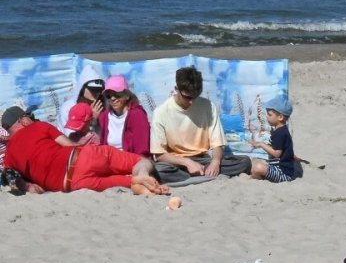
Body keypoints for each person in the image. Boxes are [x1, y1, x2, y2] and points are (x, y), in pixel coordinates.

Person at [2, 106, 167, 195]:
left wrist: (29, 186)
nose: (32, 119)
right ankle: (143, 175)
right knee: (141, 161)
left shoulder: (9, 156)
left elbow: (21, 183)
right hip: (81, 158)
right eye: (29, 116)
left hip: (71, 184)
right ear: (22, 120)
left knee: (125, 182)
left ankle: (139, 185)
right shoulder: (39, 126)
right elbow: (69, 145)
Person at [151, 67, 253, 184]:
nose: (191, 102)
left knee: (244, 162)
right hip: (176, 162)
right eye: (187, 97)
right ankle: (201, 176)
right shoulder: (161, 112)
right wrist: (187, 162)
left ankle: (197, 176)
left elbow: (217, 143)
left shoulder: (208, 106)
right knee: (158, 171)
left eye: (195, 97)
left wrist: (215, 162)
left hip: (203, 159)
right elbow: (159, 154)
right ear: (176, 89)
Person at [248, 93, 302, 182]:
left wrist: (261, 144)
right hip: (276, 169)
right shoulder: (280, 130)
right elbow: (287, 151)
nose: (267, 117)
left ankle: (258, 180)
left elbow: (276, 154)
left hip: (283, 173)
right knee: (254, 166)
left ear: (280, 117)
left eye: (270, 115)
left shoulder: (281, 133)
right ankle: (256, 178)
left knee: (257, 167)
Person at [98, 75, 151, 155]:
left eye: (117, 94)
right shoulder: (104, 116)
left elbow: (142, 150)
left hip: (131, 160)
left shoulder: (137, 115)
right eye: (108, 95)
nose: (112, 98)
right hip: (109, 160)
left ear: (127, 96)